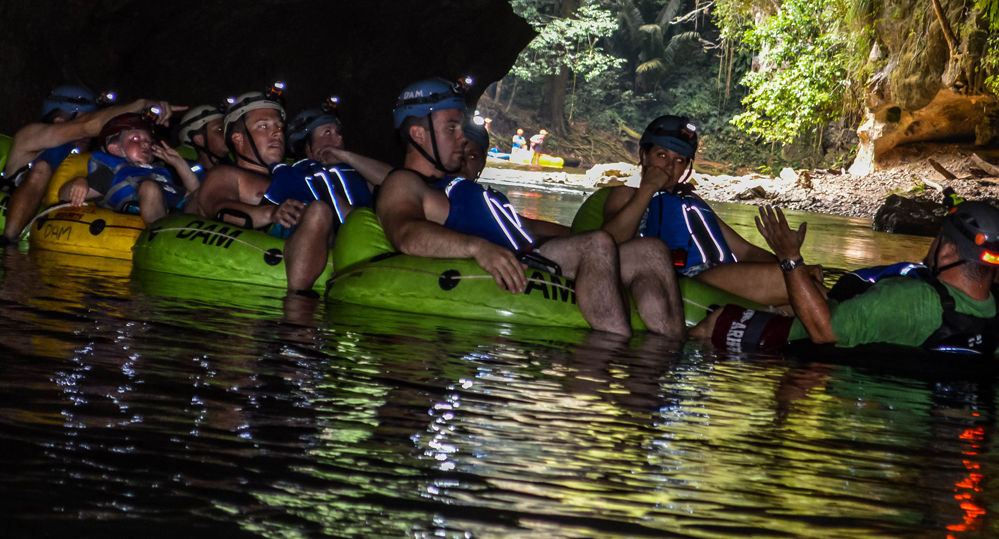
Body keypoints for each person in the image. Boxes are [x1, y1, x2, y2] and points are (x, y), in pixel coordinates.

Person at [376, 77, 686, 338]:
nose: (462, 138)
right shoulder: (406, 183)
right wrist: (477, 249)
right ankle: (610, 360)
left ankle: (667, 359)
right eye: (452, 128)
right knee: (598, 244)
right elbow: (406, 234)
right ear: (418, 134)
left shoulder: (462, 187)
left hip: (537, 251)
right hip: (525, 263)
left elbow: (523, 225)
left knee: (652, 250)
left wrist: (578, 235)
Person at [693, 200, 999, 357]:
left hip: (808, 348)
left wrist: (789, 258)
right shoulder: (993, 319)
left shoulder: (910, 299)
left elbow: (824, 331)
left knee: (713, 322)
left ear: (947, 252)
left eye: (937, 239)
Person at [597, 115, 822, 306]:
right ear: (644, 156)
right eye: (662, 155)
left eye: (679, 161)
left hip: (722, 272)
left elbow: (744, 252)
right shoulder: (626, 195)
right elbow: (607, 245)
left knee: (809, 282)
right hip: (687, 279)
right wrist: (648, 188)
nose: (669, 167)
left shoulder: (691, 201)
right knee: (801, 282)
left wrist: (789, 258)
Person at [194, 88, 333, 293]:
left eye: (278, 126)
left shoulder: (298, 175)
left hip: (322, 244)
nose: (277, 132)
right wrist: (271, 212)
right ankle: (297, 302)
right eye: (263, 126)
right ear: (238, 139)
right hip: (264, 248)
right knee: (319, 210)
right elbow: (218, 209)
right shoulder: (225, 173)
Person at [1, 86, 181, 241]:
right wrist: (142, 105)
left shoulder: (91, 158)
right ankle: (8, 240)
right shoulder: (30, 137)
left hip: (55, 223)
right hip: (13, 213)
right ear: (59, 121)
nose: (95, 132)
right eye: (87, 117)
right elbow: (86, 125)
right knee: (42, 169)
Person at [60, 111, 199, 224]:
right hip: (141, 226)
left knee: (211, 182)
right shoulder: (110, 173)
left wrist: (180, 164)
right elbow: (63, 195)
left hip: (177, 219)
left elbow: (196, 194)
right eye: (136, 139)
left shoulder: (161, 173)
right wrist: (80, 181)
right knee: (149, 188)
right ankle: (159, 234)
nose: (145, 144)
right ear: (114, 149)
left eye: (148, 141)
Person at [285, 98, 390, 224]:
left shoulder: (353, 170)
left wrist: (346, 156)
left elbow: (400, 182)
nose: (339, 137)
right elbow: (343, 216)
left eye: (338, 132)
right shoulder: (300, 175)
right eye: (327, 132)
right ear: (307, 147)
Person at [177, 104, 228, 176]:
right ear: (199, 140)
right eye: (220, 129)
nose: (227, 133)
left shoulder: (240, 168)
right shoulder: (183, 177)